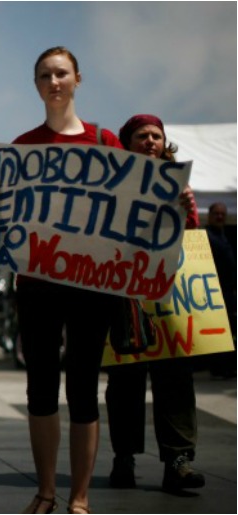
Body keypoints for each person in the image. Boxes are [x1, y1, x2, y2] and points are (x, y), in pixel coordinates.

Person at [0, 47, 123, 514]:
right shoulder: (21, 148)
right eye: (45, 75)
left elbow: (131, 211)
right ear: (37, 85)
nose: (54, 81)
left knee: (83, 387)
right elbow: (7, 222)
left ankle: (79, 498)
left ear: (78, 78)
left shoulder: (106, 143)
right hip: (38, 282)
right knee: (39, 386)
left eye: (61, 73)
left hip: (91, 284)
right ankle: (45, 491)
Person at [104, 114, 206, 494]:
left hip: (169, 299)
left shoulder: (178, 185)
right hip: (124, 296)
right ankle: (123, 459)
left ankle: (178, 462)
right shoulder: (112, 183)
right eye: (142, 136)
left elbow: (191, 237)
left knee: (176, 380)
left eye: (156, 136)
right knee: (125, 382)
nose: (150, 141)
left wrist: (188, 210)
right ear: (127, 143)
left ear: (165, 143)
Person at [204, 202, 237, 378]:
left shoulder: (224, 236)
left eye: (222, 214)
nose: (219, 217)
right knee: (218, 332)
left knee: (229, 331)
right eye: (216, 213)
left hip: (228, 292)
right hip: (214, 292)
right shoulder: (205, 236)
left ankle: (227, 366)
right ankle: (218, 368)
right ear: (209, 215)